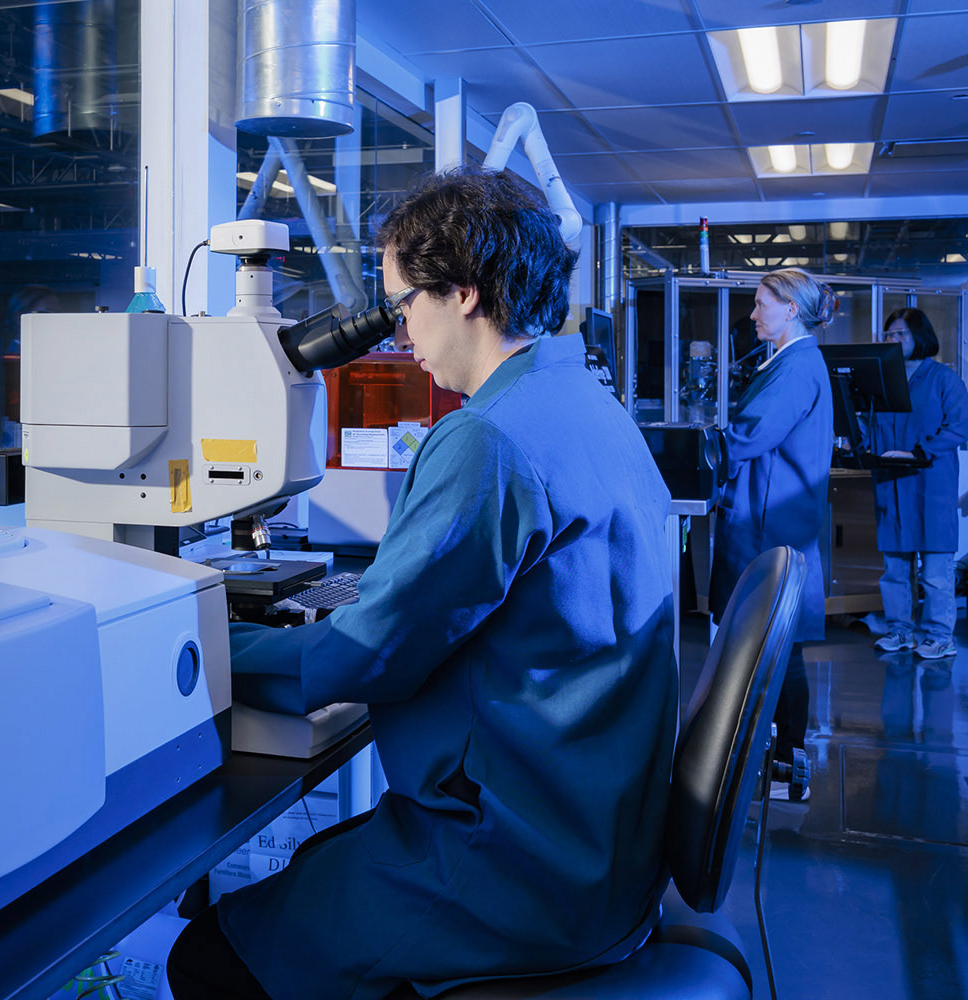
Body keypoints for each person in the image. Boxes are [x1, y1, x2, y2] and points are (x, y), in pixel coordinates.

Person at [166, 167, 677, 999]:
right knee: (316, 862)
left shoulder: (488, 440)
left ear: (465, 293)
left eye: (403, 302)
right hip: (601, 848)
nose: (398, 329)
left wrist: (197, 641)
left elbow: (364, 659)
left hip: (513, 868)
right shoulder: (589, 405)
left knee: (209, 961)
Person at [713, 267, 834, 775]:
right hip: (778, 522)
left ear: (790, 308)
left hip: (772, 529)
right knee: (781, 649)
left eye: (761, 303)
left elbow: (746, 437)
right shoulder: (788, 362)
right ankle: (785, 758)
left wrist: (684, 451)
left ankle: (788, 761)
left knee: (780, 650)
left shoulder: (797, 366)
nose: (753, 313)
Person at [867, 308, 968, 659]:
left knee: (937, 574)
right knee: (894, 570)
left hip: (931, 486)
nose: (894, 341)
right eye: (889, 335)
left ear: (920, 337)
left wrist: (917, 452)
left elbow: (958, 428)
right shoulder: (882, 380)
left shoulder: (944, 380)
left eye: (902, 334)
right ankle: (900, 632)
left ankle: (940, 637)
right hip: (892, 486)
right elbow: (870, 426)